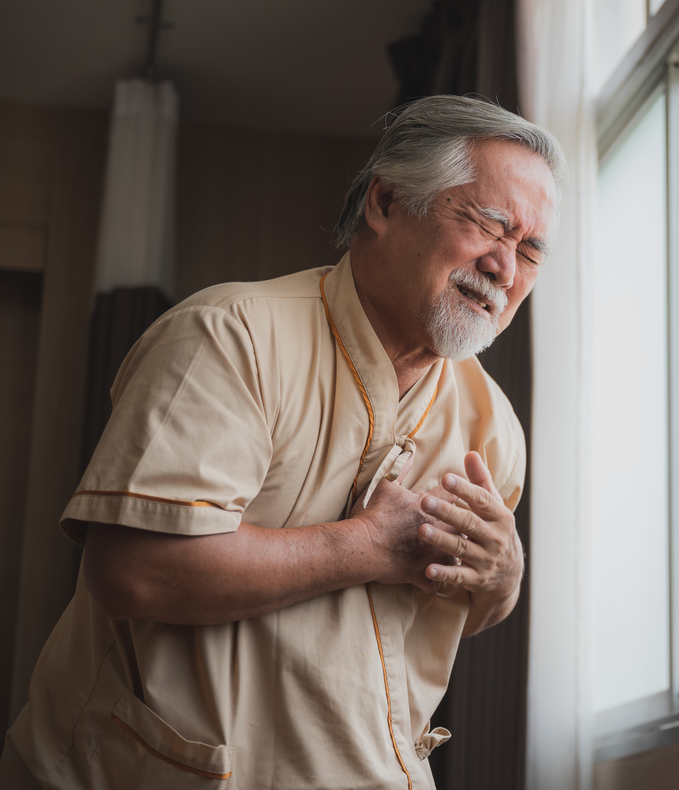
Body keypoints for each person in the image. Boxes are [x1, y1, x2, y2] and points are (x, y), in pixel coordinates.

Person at [0, 95, 564, 789]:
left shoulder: (495, 428)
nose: (505, 267)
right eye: (488, 225)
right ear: (385, 203)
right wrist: (366, 547)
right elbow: (132, 570)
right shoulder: (229, 335)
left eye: (530, 250)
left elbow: (465, 606)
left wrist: (503, 574)